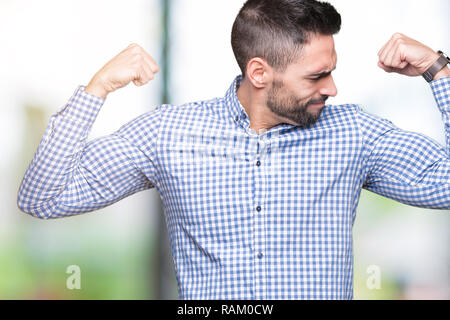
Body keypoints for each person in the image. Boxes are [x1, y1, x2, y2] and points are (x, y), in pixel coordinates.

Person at [17, 0, 450, 300]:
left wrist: (439, 69)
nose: (332, 88)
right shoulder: (168, 134)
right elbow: (44, 198)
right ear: (259, 72)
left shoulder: (353, 132)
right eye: (316, 76)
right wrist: (97, 90)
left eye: (331, 73)